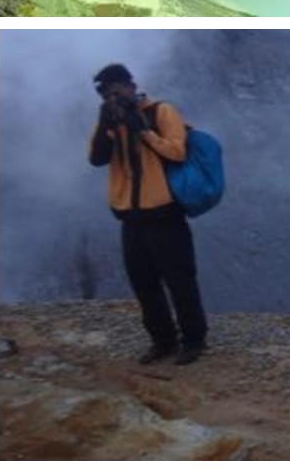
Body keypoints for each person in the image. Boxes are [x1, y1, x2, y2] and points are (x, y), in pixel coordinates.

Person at [88, 63, 208, 365]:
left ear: (131, 85)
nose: (112, 96)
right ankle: (162, 340)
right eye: (105, 92)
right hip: (131, 214)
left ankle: (193, 340)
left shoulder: (160, 111)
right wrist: (106, 124)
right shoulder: (110, 118)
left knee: (179, 279)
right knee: (143, 282)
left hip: (163, 212)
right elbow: (97, 158)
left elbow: (177, 152)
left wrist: (143, 131)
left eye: (116, 89)